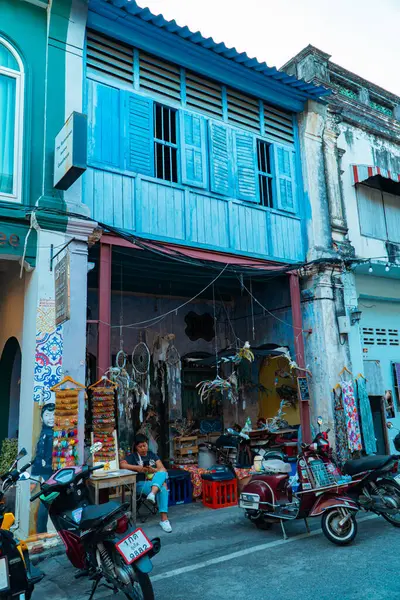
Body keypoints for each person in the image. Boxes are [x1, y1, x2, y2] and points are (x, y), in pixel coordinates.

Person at [120, 434, 172, 533]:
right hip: (141, 484)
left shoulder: (152, 454)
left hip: (153, 482)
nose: (143, 448)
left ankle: (153, 494)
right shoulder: (133, 457)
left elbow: (162, 469)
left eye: (145, 445)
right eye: (140, 446)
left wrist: (153, 470)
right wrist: (138, 468)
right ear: (136, 447)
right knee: (163, 487)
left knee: (162, 473)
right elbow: (122, 465)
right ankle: (164, 520)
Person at [32, 402, 55, 533]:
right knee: (45, 503)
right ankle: (41, 532)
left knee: (47, 502)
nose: (51, 418)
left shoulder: (52, 433)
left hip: (55, 471)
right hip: (47, 473)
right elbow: (40, 455)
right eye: (47, 415)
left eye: (53, 414)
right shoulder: (45, 434)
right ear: (41, 418)